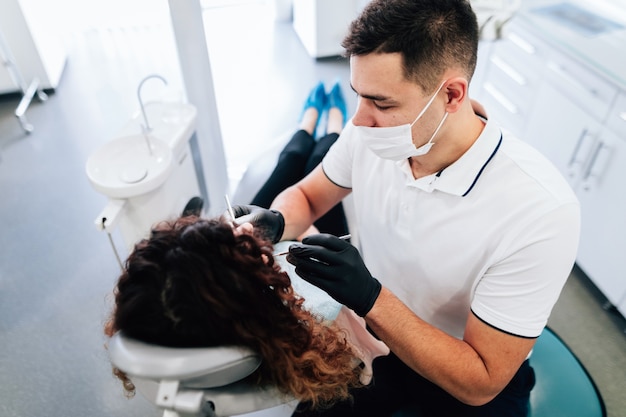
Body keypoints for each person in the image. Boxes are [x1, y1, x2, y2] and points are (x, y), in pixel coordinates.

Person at [228, 1, 581, 416]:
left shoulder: (540, 210)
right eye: (357, 94)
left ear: (451, 94)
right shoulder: (374, 135)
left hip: (465, 380)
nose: (359, 121)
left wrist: (371, 297)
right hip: (375, 342)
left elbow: (481, 381)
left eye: (382, 103)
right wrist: (281, 219)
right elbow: (307, 196)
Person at [103, 215, 390, 409]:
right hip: (304, 240)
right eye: (237, 245)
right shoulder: (317, 317)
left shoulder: (171, 311)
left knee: (297, 163)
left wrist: (236, 248)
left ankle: (313, 127)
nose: (246, 233)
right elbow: (307, 225)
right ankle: (319, 129)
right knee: (304, 158)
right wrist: (291, 226)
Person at [237, 80, 350, 241]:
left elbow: (305, 198)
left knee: (293, 158)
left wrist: (281, 224)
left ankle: (307, 123)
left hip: (262, 237)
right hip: (318, 249)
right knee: (319, 160)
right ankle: (334, 125)